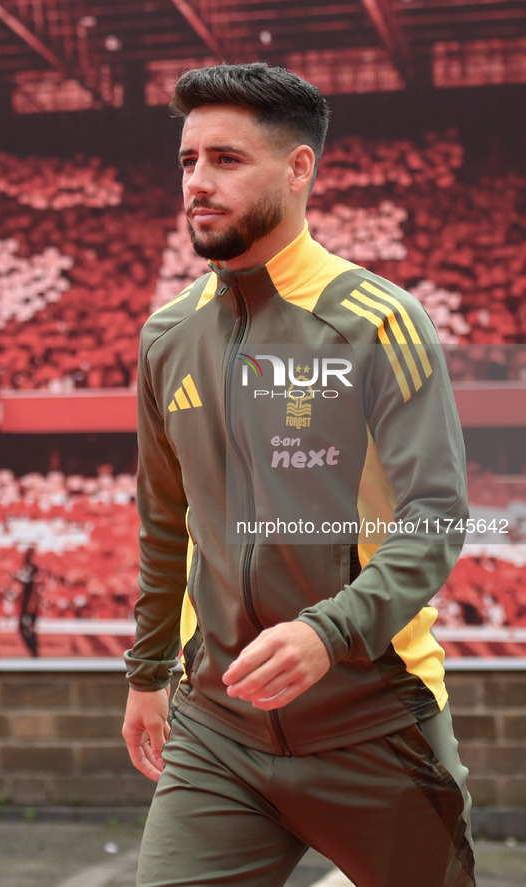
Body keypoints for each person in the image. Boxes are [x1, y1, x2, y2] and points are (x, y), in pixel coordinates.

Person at [122, 63, 475, 887]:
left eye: (225, 160)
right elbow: (163, 518)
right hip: (217, 726)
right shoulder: (166, 335)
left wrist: (328, 631)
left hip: (371, 722)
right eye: (187, 161)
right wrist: (145, 674)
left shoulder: (378, 322)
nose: (197, 184)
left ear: (298, 169)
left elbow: (436, 513)